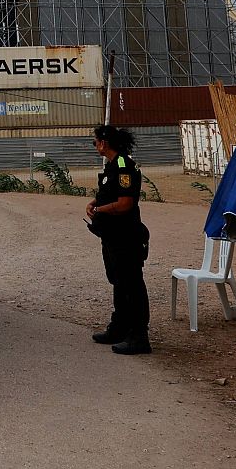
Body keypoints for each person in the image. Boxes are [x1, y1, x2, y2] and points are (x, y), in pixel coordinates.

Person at [86, 124, 150, 355]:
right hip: (112, 236)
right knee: (119, 282)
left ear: (104, 142)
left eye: (95, 142)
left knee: (131, 284)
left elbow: (125, 203)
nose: (95, 146)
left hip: (126, 236)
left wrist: (102, 210)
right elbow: (110, 193)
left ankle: (139, 336)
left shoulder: (123, 166)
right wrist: (96, 203)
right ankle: (119, 327)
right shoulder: (113, 166)